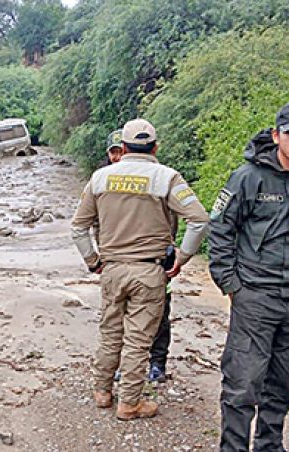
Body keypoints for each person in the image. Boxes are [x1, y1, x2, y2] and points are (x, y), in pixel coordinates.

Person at [208, 103, 289, 451]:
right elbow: (221, 229)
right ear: (275, 135)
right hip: (256, 296)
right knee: (243, 381)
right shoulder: (248, 177)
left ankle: (270, 445)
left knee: (287, 379)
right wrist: (231, 283)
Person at [71, 119, 209, 420]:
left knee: (110, 332)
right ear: (156, 147)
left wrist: (92, 260)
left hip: (112, 269)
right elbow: (199, 220)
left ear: (122, 147)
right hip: (149, 271)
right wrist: (182, 257)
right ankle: (130, 402)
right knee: (138, 339)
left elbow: (79, 227)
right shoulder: (167, 178)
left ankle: (102, 391)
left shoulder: (100, 178)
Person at [103, 129, 173, 383]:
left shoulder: (159, 178)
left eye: (121, 152)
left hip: (155, 258)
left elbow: (173, 217)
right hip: (118, 260)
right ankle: (128, 367)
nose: (117, 157)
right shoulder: (103, 180)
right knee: (118, 319)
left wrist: (175, 253)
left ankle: (156, 362)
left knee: (160, 314)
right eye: (113, 153)